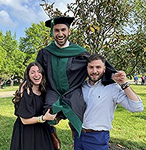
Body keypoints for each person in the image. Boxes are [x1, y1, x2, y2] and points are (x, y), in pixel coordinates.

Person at [36, 16, 116, 149]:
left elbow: (97, 64)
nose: (60, 33)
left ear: (69, 31)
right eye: (56, 30)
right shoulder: (45, 53)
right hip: (53, 89)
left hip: (72, 90)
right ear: (52, 32)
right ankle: (52, 133)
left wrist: (114, 75)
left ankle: (75, 130)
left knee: (79, 107)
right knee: (47, 111)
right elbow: (36, 71)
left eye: (63, 30)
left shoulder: (79, 52)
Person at [74, 54, 144, 150]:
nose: (94, 71)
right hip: (78, 135)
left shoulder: (112, 88)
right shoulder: (81, 87)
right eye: (91, 67)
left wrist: (124, 84)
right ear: (87, 68)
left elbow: (137, 107)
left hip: (98, 137)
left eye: (98, 67)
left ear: (104, 69)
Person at [10, 62, 57, 150]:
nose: (36, 75)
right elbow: (24, 120)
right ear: (28, 75)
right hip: (27, 133)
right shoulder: (25, 93)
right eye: (32, 72)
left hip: (41, 131)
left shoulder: (44, 92)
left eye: (39, 72)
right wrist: (43, 118)